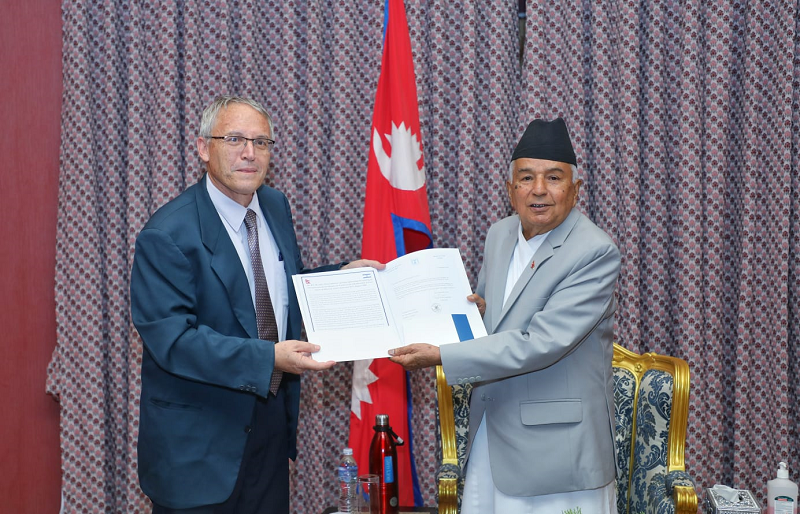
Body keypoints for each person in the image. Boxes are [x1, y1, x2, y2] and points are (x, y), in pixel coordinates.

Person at [130, 95, 382, 514]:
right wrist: (270, 358)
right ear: (203, 148)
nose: (250, 153)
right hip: (199, 449)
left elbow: (276, 293)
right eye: (235, 139)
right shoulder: (166, 234)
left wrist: (341, 277)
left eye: (261, 142)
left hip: (268, 429)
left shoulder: (274, 206)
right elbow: (173, 342)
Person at [389, 118, 621, 513]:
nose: (539, 189)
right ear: (510, 188)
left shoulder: (594, 252)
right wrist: (476, 311)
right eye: (526, 177)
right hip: (491, 432)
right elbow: (496, 319)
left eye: (554, 178)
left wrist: (441, 355)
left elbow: (541, 343)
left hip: (555, 452)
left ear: (576, 189)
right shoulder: (500, 234)